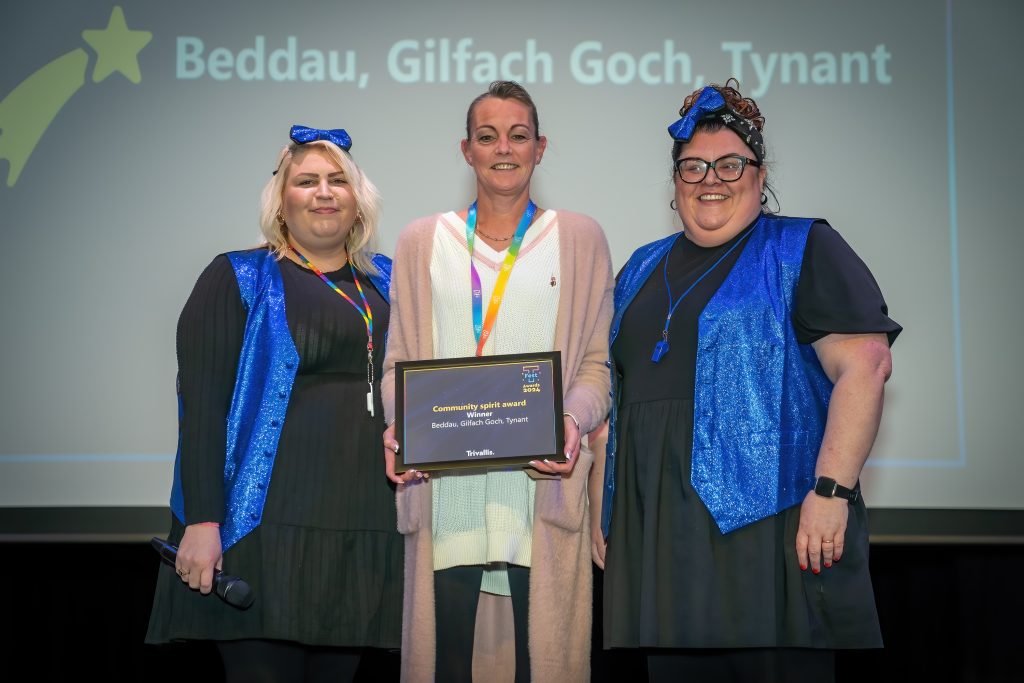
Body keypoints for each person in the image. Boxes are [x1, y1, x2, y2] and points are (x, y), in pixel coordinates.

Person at [600, 80, 900, 682]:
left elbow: (866, 365)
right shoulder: (638, 268)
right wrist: (602, 511)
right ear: (675, 183)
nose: (711, 178)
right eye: (693, 167)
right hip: (663, 546)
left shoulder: (803, 246)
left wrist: (833, 492)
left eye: (730, 163)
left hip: (773, 540)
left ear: (760, 176)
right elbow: (617, 399)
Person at [146, 126, 402, 682]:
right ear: (281, 201)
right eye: (306, 181)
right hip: (262, 533)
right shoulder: (237, 276)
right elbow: (203, 411)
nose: (324, 192)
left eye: (338, 180)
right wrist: (202, 521)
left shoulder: (390, 284)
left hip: (363, 527)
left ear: (359, 199)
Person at [380, 81, 613, 682]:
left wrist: (570, 421)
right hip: (444, 497)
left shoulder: (580, 239)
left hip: (540, 495)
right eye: (487, 137)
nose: (503, 148)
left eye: (518, 135)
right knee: (444, 667)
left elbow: (594, 366)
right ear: (466, 150)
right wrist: (401, 425)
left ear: (540, 147)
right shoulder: (420, 242)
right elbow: (397, 365)